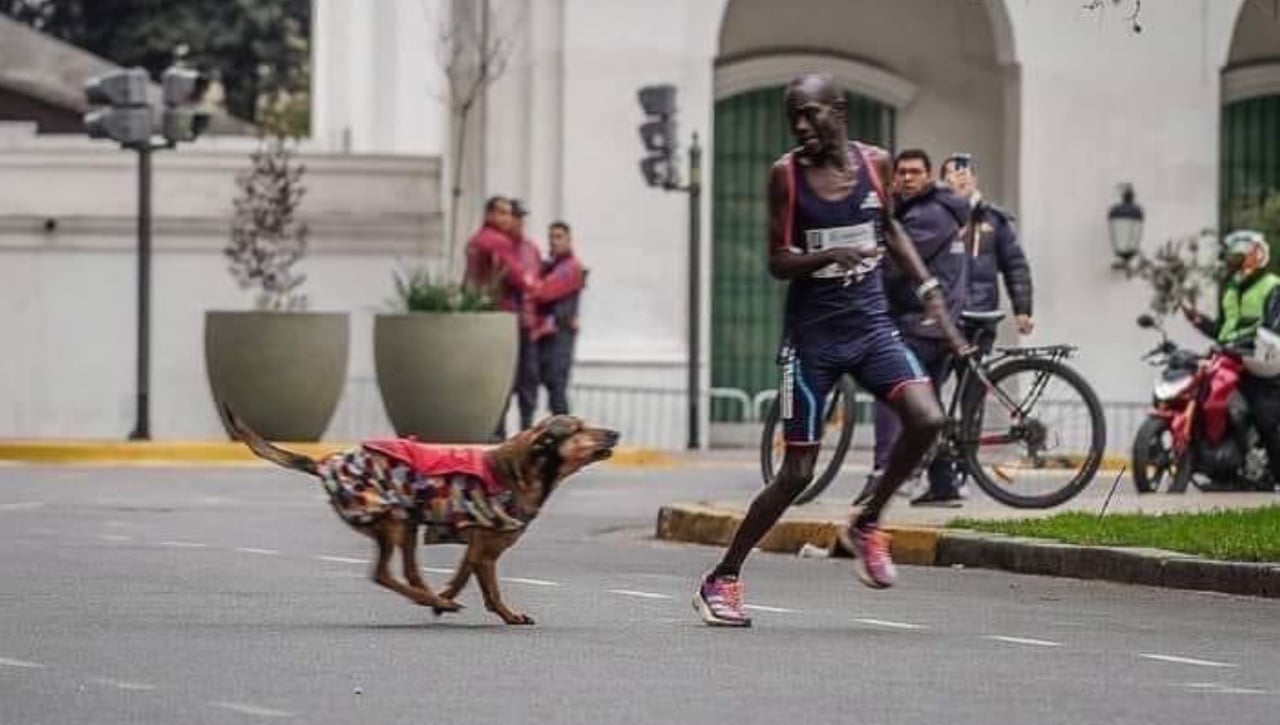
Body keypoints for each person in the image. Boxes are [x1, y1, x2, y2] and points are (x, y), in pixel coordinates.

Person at [692, 73, 972, 628]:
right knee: (797, 473)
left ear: (838, 113)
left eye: (811, 113)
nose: (801, 126)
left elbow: (890, 229)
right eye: (792, 116)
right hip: (812, 343)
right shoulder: (786, 176)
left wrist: (929, 291)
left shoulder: (876, 164)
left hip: (870, 330)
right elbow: (776, 261)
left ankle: (866, 523)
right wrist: (824, 259)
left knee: (927, 418)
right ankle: (721, 578)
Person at [866, 149, 971, 508]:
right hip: (930, 320)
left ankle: (882, 470)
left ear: (928, 177)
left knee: (889, 389)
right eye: (902, 173)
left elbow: (896, 265)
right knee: (930, 401)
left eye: (915, 172)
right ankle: (943, 485)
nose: (907, 178)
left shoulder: (931, 214)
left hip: (926, 321)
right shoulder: (922, 210)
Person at [1182, 230, 1280, 486]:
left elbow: (1272, 325)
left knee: (1264, 416)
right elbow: (1223, 330)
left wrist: (1250, 340)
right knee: (1211, 404)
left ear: (1259, 254)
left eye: (1245, 252)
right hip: (1228, 358)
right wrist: (1198, 321)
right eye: (1237, 254)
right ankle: (1221, 470)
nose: (1239, 257)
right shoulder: (1232, 288)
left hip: (1260, 363)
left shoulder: (1272, 285)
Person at [940, 153, 1034, 345]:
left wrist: (1022, 310)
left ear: (975, 179)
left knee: (975, 372)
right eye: (953, 173)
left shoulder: (994, 219)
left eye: (965, 172)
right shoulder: (935, 217)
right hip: (944, 315)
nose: (960, 178)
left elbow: (1015, 266)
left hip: (980, 315)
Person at [530, 221, 587, 416]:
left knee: (556, 386)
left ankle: (565, 433)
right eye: (551, 237)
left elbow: (544, 291)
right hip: (547, 335)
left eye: (559, 237)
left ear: (569, 240)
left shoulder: (571, 267)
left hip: (560, 333)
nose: (554, 242)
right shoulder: (552, 266)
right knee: (546, 383)